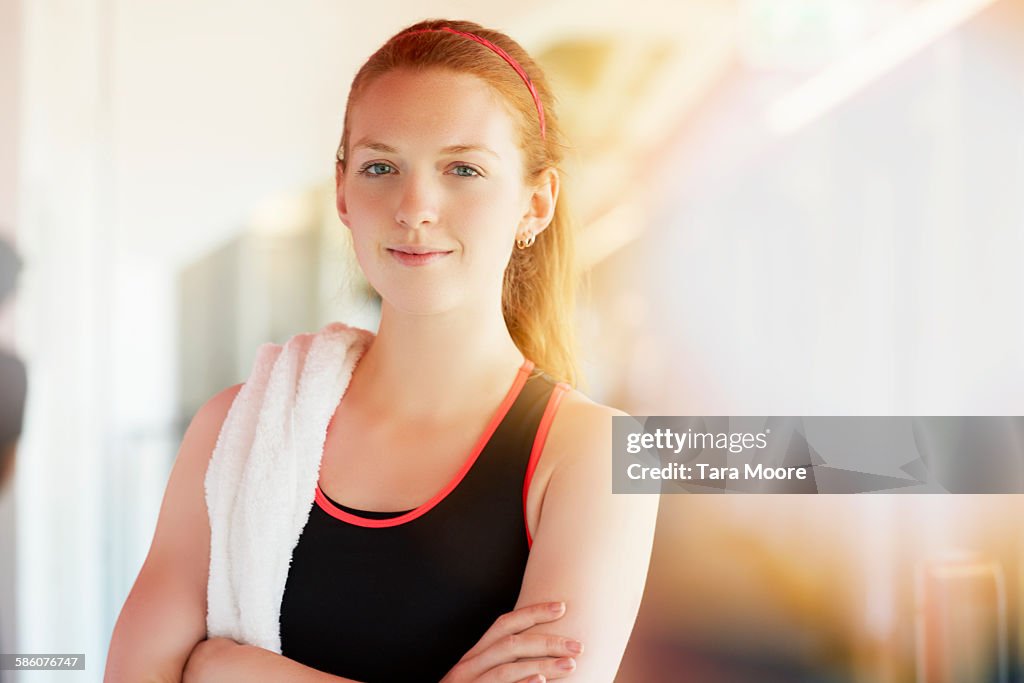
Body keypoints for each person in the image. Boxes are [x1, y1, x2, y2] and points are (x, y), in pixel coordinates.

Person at [105, 19, 658, 683]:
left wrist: (227, 668)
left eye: (463, 169)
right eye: (381, 166)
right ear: (342, 191)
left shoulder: (590, 453)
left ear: (535, 203)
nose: (415, 205)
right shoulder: (236, 428)